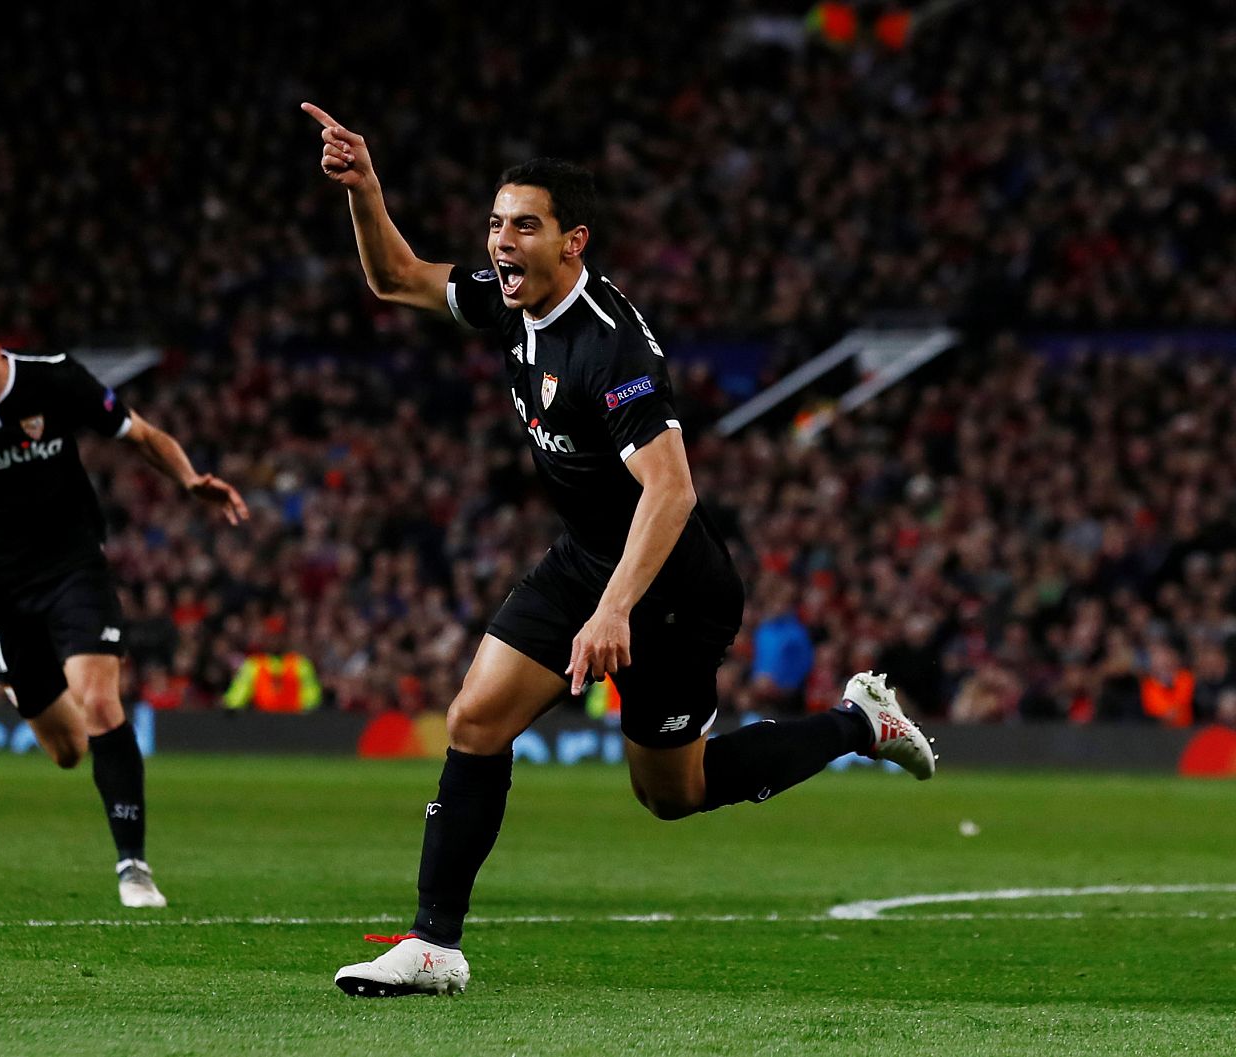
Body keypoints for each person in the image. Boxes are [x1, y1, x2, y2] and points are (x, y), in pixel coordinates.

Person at [303, 102, 938, 997]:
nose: (501, 242)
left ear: (574, 241)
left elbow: (672, 489)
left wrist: (615, 609)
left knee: (671, 792)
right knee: (476, 717)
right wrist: (365, 190)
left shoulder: (611, 346)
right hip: (587, 557)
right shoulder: (509, 300)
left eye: (525, 225)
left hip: (672, 585)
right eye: (495, 224)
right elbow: (396, 278)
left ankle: (857, 722)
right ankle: (435, 944)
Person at [0, 302, 248, 907]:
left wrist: (188, 479)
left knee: (101, 698)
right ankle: (93, 741)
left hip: (70, 569)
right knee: (66, 749)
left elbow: (139, 434)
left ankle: (133, 866)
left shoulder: (54, 380)